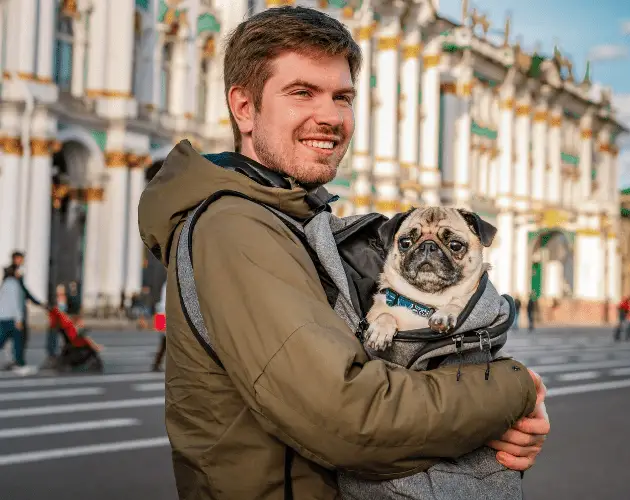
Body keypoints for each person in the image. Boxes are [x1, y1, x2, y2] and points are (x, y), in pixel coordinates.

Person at [138, 6, 550, 499]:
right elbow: (352, 417)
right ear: (244, 108)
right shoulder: (236, 226)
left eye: (342, 97)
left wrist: (491, 428)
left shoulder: (291, 217)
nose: (330, 116)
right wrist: (511, 390)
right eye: (301, 93)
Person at [4, 251, 43, 370]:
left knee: (19, 338)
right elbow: (15, 295)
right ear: (15, 259)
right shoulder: (10, 273)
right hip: (13, 313)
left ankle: (18, 360)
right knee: (15, 337)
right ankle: (18, 361)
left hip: (16, 311)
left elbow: (24, 292)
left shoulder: (17, 274)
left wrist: (38, 303)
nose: (22, 261)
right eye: (20, 258)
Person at [0, 265, 33, 375]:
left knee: (3, 340)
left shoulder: (5, 284)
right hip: (12, 318)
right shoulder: (14, 284)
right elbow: (16, 303)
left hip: (3, 317)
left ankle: (19, 363)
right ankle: (20, 364)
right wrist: (19, 319)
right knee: (18, 342)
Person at [151, 281, 167, 372]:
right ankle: (156, 363)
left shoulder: (165, 282)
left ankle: (157, 363)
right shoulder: (168, 282)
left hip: (161, 313)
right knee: (164, 341)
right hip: (164, 313)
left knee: (163, 342)